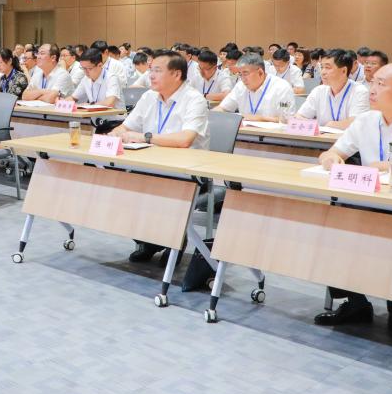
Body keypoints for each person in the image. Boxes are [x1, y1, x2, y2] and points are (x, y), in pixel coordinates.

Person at [314, 63, 392, 347]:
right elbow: (331, 153)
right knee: (335, 225)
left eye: (381, 84)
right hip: (370, 200)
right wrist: (332, 159)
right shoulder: (365, 120)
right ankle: (356, 303)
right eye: (372, 82)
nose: (372, 88)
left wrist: (377, 165)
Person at [112, 50, 210, 263]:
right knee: (119, 189)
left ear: (176, 74)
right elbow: (125, 127)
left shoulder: (194, 99)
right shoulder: (149, 97)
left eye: (157, 70)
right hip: (150, 165)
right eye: (151, 70)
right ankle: (148, 241)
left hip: (186, 173)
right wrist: (113, 136)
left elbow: (185, 139)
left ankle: (174, 242)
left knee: (154, 189)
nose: (151, 75)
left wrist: (145, 137)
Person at [295, 49, 370, 129]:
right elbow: (299, 116)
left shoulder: (360, 91)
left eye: (327, 67)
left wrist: (330, 125)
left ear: (344, 71)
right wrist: (316, 126)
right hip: (322, 136)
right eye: (322, 67)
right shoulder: (319, 90)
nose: (323, 72)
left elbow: (356, 122)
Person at [215, 52, 295, 121]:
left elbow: (287, 120)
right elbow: (222, 108)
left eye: (245, 73)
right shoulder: (240, 86)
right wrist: (212, 115)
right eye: (240, 74)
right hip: (244, 132)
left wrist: (260, 118)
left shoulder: (282, 87)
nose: (242, 79)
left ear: (260, 72)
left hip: (271, 133)